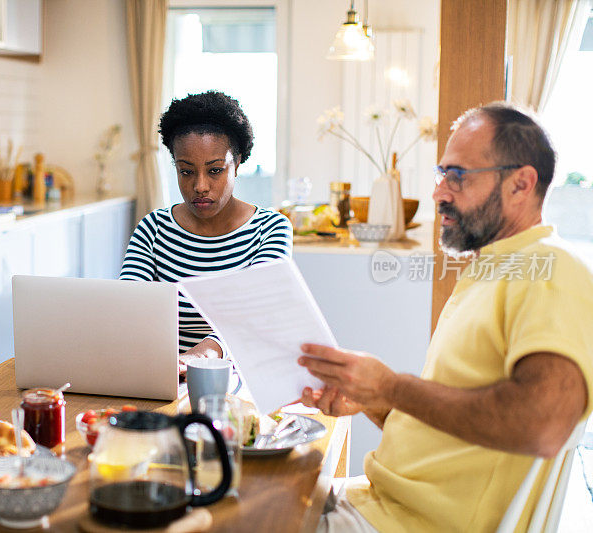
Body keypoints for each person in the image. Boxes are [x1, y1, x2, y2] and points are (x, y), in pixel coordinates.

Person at [298, 102, 593, 532]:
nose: (439, 192)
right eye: (442, 175)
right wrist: (376, 400)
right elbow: (454, 431)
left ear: (521, 184)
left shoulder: (551, 268)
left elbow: (542, 425)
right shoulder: (494, 269)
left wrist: (393, 386)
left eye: (458, 176)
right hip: (376, 504)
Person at [120, 91, 292, 374]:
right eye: (186, 171)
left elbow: (256, 317)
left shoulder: (270, 229)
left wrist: (200, 356)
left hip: (240, 379)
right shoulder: (154, 228)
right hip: (164, 376)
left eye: (214, 171)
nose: (200, 185)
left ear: (236, 163)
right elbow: (127, 308)